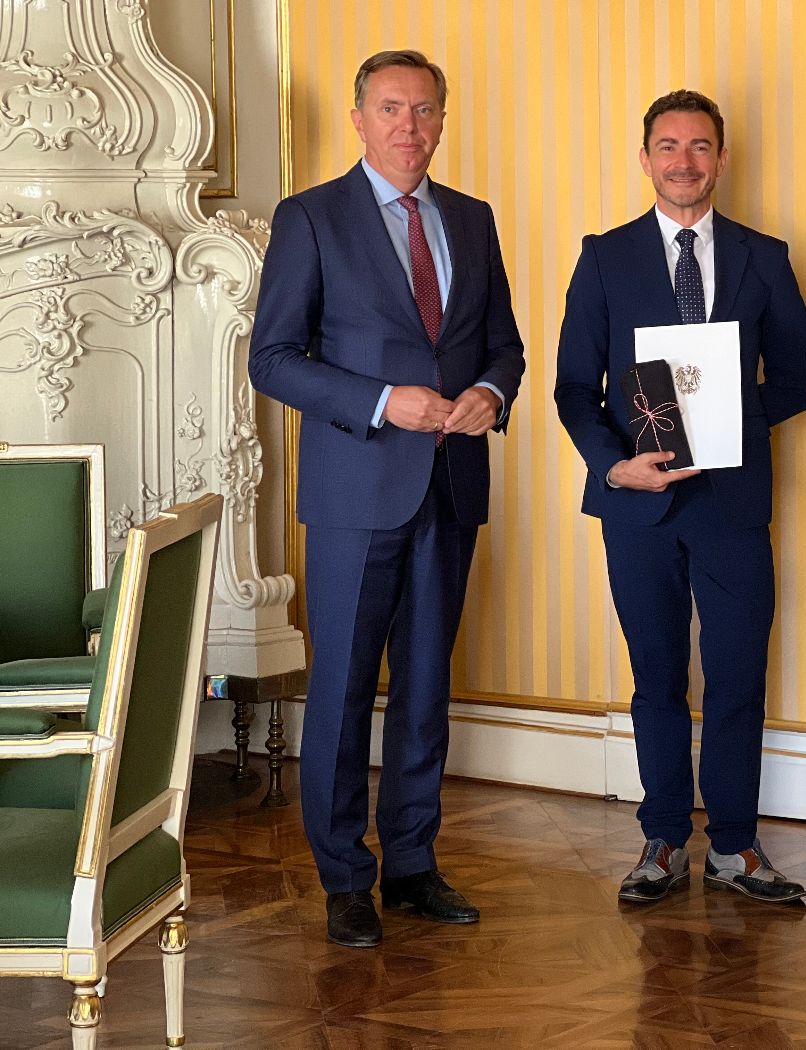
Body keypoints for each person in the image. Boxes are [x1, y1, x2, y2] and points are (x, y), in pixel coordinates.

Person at [249, 49, 525, 948]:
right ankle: (343, 876)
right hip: (353, 492)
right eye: (392, 109)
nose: (411, 126)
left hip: (450, 484)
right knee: (340, 688)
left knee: (424, 689)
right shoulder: (311, 218)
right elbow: (274, 359)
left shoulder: (475, 222)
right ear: (360, 121)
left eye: (426, 111)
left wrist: (490, 393)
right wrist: (379, 402)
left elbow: (504, 347)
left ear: (444, 121)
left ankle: (411, 865)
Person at [555, 89, 806, 905]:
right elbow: (571, 388)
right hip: (637, 506)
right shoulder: (605, 256)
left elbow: (800, 378)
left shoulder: (762, 256)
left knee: (738, 675)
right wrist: (613, 465)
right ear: (645, 159)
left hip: (733, 504)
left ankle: (735, 847)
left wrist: (731, 427)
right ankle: (662, 840)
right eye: (667, 146)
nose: (683, 161)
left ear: (722, 159)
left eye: (700, 146)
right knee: (657, 674)